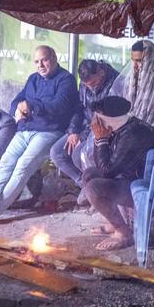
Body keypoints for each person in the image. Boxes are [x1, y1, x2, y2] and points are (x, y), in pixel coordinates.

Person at [0, 45, 79, 220]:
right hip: (25, 129)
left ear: (54, 58)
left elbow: (58, 106)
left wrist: (31, 106)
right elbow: (17, 100)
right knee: (7, 160)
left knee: (23, 165)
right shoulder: (33, 79)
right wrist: (17, 109)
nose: (41, 65)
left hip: (49, 131)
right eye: (37, 61)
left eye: (44, 60)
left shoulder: (66, 79)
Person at [82, 96, 154, 251]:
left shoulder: (132, 134)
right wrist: (99, 139)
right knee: (89, 174)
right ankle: (115, 222)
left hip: (149, 186)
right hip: (134, 178)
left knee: (94, 188)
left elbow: (107, 171)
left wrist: (101, 140)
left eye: (98, 117)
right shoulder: (122, 127)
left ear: (109, 119)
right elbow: (101, 166)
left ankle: (123, 232)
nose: (95, 121)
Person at [49, 58, 119, 205]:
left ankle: (99, 190)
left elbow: (107, 117)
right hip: (83, 127)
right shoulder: (85, 84)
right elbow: (79, 109)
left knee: (78, 154)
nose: (90, 88)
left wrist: (83, 136)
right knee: (56, 153)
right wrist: (73, 131)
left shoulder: (116, 82)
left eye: (93, 83)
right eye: (87, 85)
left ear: (101, 72)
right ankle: (86, 186)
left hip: (103, 128)